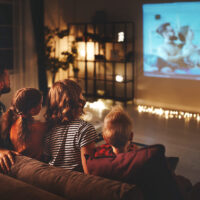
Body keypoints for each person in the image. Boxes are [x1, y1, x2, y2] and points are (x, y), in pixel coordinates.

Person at [44, 79, 97, 173]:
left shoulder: (47, 128)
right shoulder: (85, 129)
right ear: (76, 99)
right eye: (81, 94)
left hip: (52, 178)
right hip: (74, 181)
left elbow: (46, 158)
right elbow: (89, 171)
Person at [0, 88, 46, 172]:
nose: (41, 105)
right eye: (40, 103)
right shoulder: (41, 127)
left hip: (20, 166)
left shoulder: (9, 123)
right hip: (34, 167)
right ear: (33, 110)